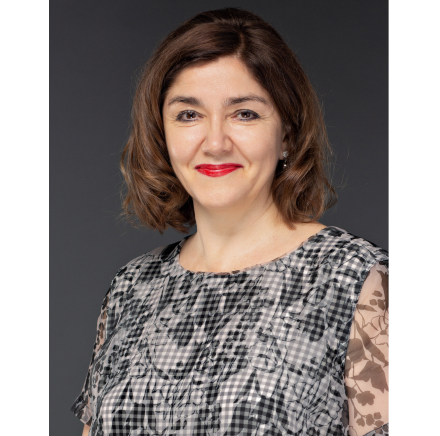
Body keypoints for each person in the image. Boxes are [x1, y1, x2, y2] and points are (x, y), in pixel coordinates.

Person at [71, 8, 388, 436]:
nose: (215, 142)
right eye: (189, 115)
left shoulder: (355, 280)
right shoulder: (130, 289)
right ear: (161, 133)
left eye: (245, 114)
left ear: (287, 134)